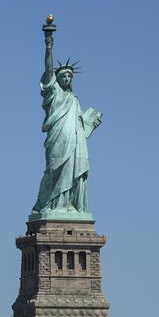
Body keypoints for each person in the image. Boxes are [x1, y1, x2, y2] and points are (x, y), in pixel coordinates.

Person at [31, 16, 102, 217]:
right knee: (54, 170)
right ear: (57, 78)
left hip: (75, 141)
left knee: (73, 171)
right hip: (58, 138)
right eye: (63, 75)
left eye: (69, 76)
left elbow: (82, 126)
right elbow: (48, 69)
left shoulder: (74, 100)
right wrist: (48, 45)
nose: (66, 78)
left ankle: (70, 205)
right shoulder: (53, 93)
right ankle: (52, 204)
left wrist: (91, 123)